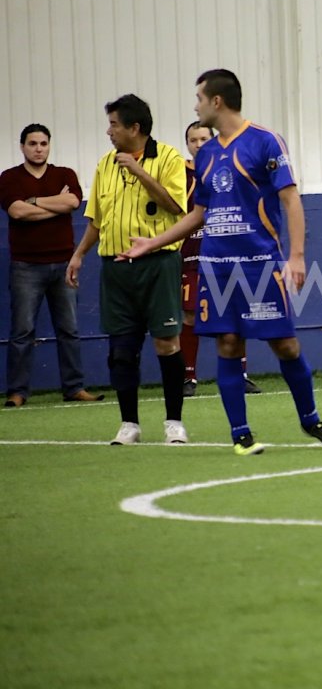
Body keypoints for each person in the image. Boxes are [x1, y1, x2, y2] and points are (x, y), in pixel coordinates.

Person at [121, 69, 322, 456]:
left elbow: (291, 200)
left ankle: (311, 420)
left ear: (217, 101)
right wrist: (154, 243)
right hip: (217, 267)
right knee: (228, 344)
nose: (195, 106)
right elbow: (199, 214)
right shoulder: (207, 154)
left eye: (199, 98)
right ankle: (241, 434)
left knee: (286, 345)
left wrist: (296, 256)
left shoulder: (265, 141)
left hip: (260, 264)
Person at [65, 96, 188, 444]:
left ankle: (174, 423)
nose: (109, 131)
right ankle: (129, 424)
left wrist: (139, 171)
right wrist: (78, 255)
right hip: (116, 268)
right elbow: (96, 219)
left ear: (135, 128)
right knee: (121, 349)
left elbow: (175, 205)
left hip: (159, 264)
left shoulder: (169, 158)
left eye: (114, 124)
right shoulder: (105, 164)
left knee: (166, 343)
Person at [1, 124, 103, 407]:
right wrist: (53, 206)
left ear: (49, 146)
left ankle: (74, 388)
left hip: (63, 263)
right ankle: (17, 392)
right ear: (22, 146)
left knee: (69, 329)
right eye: (32, 143)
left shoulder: (65, 174)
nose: (38, 149)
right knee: (22, 331)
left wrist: (34, 202)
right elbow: (16, 211)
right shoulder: (9, 178)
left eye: (43, 143)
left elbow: (72, 202)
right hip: (25, 266)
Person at [177, 121, 260, 397]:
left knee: (234, 313)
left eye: (203, 138)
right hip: (191, 255)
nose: (199, 144)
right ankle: (188, 376)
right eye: (193, 140)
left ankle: (240, 374)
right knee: (190, 314)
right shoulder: (179, 175)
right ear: (187, 144)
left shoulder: (226, 167)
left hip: (227, 254)